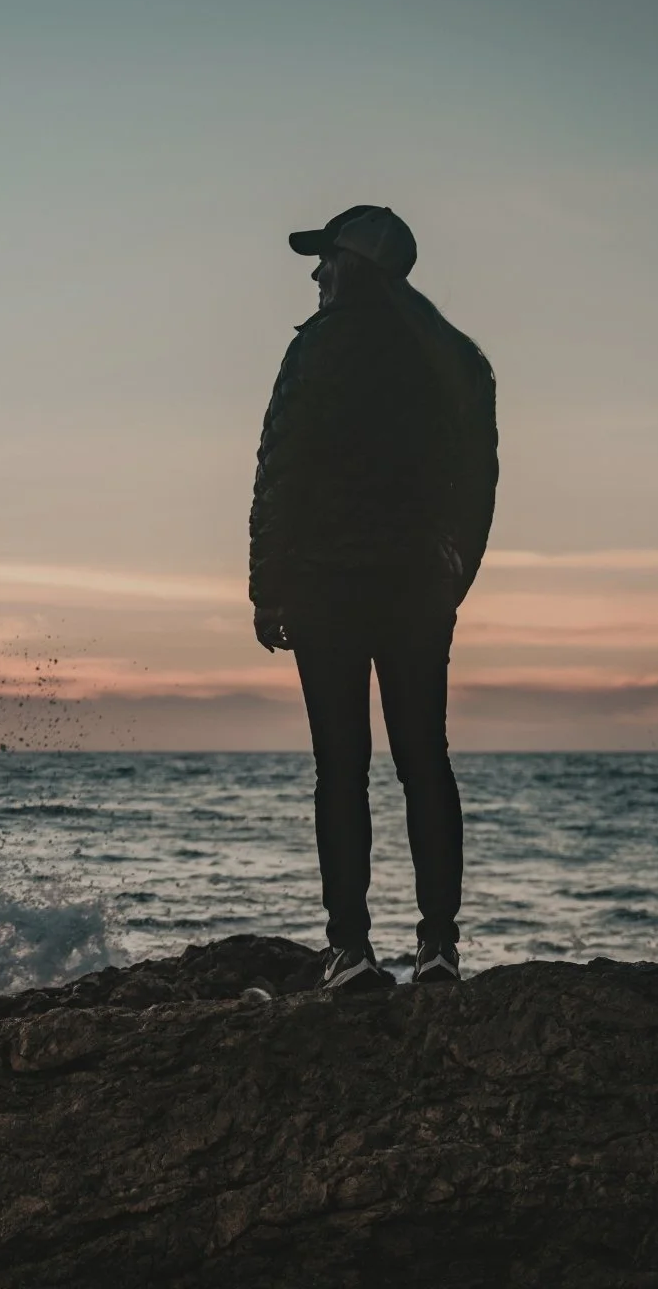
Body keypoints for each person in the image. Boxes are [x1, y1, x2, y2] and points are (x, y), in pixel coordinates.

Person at [247, 205, 497, 991]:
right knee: (426, 762)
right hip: (418, 589)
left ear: (354, 265)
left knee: (341, 769)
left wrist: (267, 587)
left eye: (325, 259)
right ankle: (440, 948)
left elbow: (280, 467)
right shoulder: (455, 359)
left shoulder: (317, 349)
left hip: (326, 585)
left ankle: (350, 952)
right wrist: (456, 576)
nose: (316, 273)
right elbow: (479, 481)